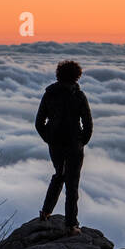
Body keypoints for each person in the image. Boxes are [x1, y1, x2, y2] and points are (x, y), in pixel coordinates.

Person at [34, 60, 93, 234]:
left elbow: (39, 122)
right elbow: (88, 123)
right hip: (74, 144)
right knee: (72, 183)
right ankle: (71, 225)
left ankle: (45, 212)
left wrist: (49, 138)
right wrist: (82, 141)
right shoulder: (79, 96)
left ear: (59, 75)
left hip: (56, 144)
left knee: (59, 175)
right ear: (77, 76)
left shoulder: (50, 94)